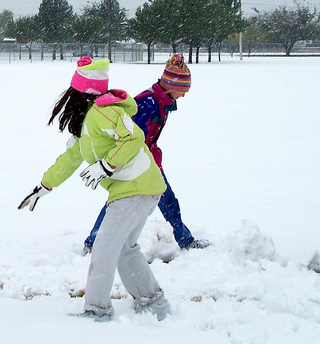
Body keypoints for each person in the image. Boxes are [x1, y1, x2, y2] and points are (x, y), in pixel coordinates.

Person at [18, 57, 170, 321]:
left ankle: (97, 310)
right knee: (124, 249)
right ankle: (153, 302)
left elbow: (133, 137)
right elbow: (70, 159)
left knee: (104, 249)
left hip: (135, 188)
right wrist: (43, 187)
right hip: (141, 187)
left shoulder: (104, 112)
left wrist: (106, 166)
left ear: (80, 92)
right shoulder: (89, 123)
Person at [83, 53, 208, 253]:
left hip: (148, 161)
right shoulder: (148, 103)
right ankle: (93, 242)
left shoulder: (162, 102)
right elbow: (132, 137)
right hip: (135, 162)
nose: (184, 95)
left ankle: (185, 239)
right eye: (182, 90)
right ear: (172, 86)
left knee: (165, 199)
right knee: (119, 202)